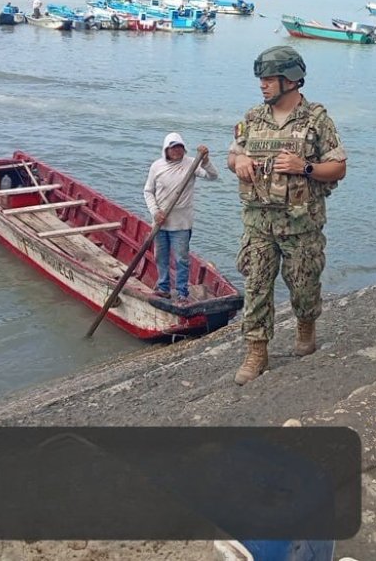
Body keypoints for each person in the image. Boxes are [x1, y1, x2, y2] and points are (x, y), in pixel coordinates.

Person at [227, 46, 347, 384]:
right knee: (256, 286)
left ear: (291, 80)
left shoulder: (317, 120)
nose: (262, 85)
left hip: (301, 225)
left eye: (269, 79)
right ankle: (256, 351)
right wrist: (240, 163)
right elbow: (231, 155)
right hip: (258, 223)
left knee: (303, 286)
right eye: (261, 79)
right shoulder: (252, 118)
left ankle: (305, 326)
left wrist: (304, 167)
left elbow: (338, 168)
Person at [143, 133, 218, 302]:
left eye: (179, 147)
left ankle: (183, 292)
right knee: (160, 256)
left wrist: (205, 161)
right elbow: (148, 191)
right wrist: (155, 212)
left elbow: (212, 176)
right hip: (160, 222)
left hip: (182, 224)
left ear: (184, 149)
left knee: (181, 259)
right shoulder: (157, 166)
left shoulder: (192, 163)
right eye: (173, 147)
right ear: (166, 150)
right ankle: (163, 287)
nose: (176, 151)